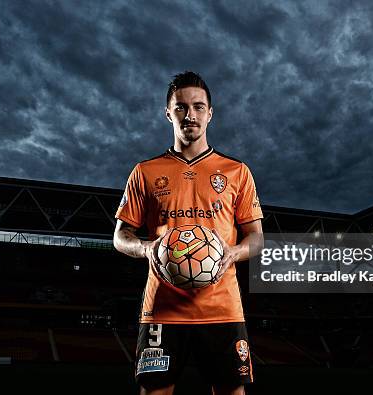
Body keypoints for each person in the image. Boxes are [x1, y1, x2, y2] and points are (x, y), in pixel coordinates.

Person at [113, 71, 263, 395]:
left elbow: (257, 238)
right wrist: (146, 249)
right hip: (163, 307)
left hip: (222, 306)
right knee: (155, 392)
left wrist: (233, 253)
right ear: (168, 112)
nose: (190, 114)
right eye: (181, 107)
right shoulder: (145, 172)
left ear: (210, 113)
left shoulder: (237, 172)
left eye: (198, 106)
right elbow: (120, 236)